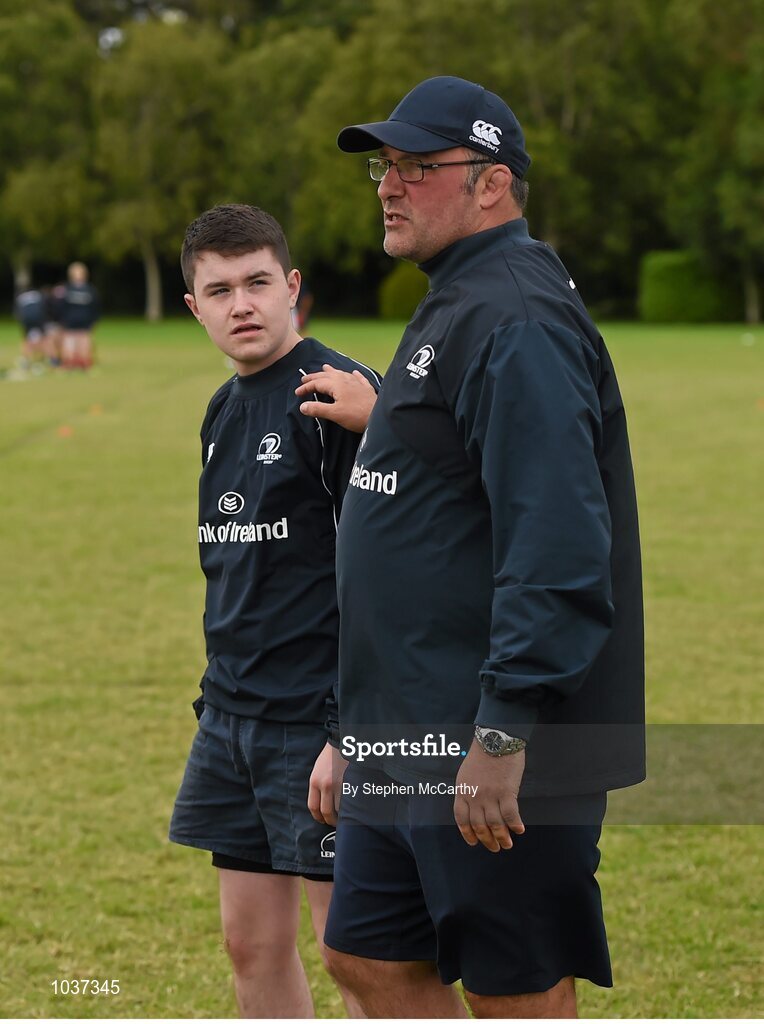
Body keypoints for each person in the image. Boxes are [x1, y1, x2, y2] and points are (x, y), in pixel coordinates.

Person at [296, 76, 645, 1018]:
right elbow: (455, 469)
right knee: (366, 957)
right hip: (401, 725)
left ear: (491, 185)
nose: (386, 185)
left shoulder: (515, 317)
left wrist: (502, 733)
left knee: (516, 988)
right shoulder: (462, 297)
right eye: (384, 165)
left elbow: (559, 542)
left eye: (416, 166)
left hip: (487, 740)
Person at [168, 204, 379, 1018]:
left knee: (358, 956)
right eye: (218, 290)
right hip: (232, 720)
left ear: (293, 287)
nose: (241, 304)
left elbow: (390, 582)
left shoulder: (338, 396)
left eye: (258, 282)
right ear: (195, 307)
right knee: (249, 944)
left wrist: (346, 730)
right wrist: (216, 705)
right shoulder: (224, 409)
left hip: (319, 725)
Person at [62, 262, 100, 370]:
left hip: (85, 321)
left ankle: (85, 363)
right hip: (70, 321)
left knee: (84, 341)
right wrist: (63, 319)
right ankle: (69, 362)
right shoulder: (67, 289)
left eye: (80, 273)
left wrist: (94, 320)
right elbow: (62, 306)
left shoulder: (90, 290)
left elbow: (95, 306)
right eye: (75, 273)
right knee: (70, 341)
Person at [13, 285, 47, 370]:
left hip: (26, 320)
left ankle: (25, 361)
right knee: (41, 339)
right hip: (38, 319)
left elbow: (17, 313)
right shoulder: (38, 295)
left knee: (26, 340)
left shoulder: (20, 297)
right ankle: (39, 362)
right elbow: (44, 308)